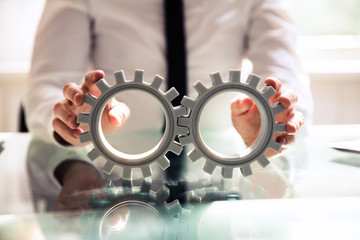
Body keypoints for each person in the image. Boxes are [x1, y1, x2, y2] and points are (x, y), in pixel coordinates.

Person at [24, 0, 312, 212]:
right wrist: (72, 117)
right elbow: (47, 86)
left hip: (222, 172)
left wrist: (272, 118)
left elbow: (287, 77)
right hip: (114, 182)